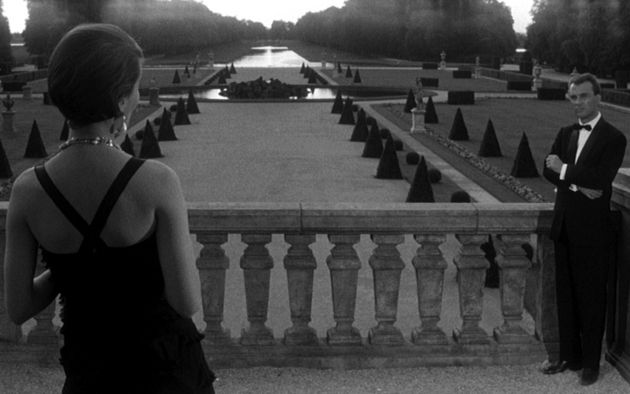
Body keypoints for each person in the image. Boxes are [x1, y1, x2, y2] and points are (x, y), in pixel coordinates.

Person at [4, 24, 215, 393]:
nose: (137, 97)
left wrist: (71, 265)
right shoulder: (156, 181)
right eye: (135, 88)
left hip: (90, 374)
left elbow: (19, 306)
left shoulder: (27, 190)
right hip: (164, 371)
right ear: (119, 99)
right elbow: (186, 301)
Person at [541, 73, 626, 386]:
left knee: (591, 298)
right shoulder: (566, 133)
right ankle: (569, 356)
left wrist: (563, 170)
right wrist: (578, 183)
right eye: (573, 97)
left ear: (598, 96)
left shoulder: (614, 138)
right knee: (566, 296)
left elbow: (601, 180)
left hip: (592, 232)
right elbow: (545, 171)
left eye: (584, 96)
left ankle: (591, 363)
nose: (577, 103)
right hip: (564, 226)